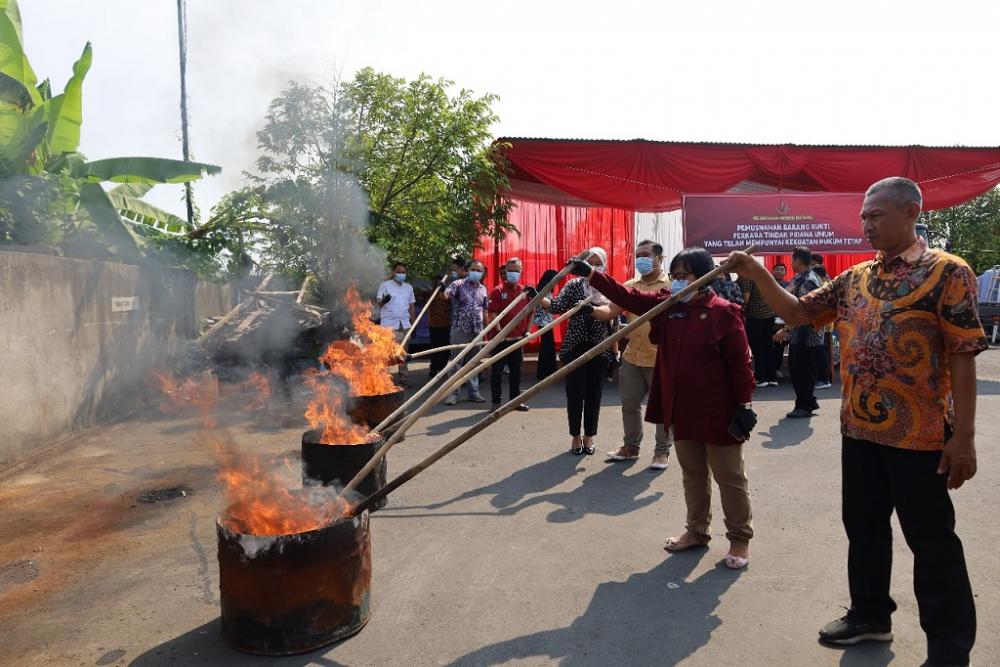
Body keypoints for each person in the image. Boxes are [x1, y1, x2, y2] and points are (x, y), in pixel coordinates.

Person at [726, 177, 986, 666]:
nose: (867, 224)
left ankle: (949, 649)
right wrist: (759, 273)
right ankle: (870, 615)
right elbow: (798, 312)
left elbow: (963, 354)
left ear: (910, 213)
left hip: (922, 435)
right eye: (864, 216)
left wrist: (965, 438)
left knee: (931, 542)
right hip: (859, 429)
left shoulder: (948, 272)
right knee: (863, 527)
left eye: (877, 215)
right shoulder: (854, 278)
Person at [571, 246, 756, 569]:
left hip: (720, 412)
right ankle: (697, 531)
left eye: (685, 276)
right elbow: (628, 298)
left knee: (729, 477)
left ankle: (739, 540)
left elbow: (741, 366)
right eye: (675, 276)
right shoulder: (669, 306)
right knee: (693, 475)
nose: (677, 282)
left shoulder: (724, 313)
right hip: (682, 409)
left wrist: (743, 405)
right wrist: (590, 274)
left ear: (704, 278)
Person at [602, 240, 674, 469]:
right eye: (638, 255)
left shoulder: (673, 286)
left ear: (659, 259)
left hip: (661, 358)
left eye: (646, 255)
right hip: (632, 356)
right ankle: (631, 447)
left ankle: (662, 451)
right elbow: (610, 311)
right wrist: (589, 310)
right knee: (629, 404)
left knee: (663, 408)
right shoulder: (630, 286)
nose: (641, 259)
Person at [548, 247, 615, 456]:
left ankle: (589, 436)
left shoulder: (608, 286)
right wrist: (540, 295)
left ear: (604, 264)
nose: (594, 266)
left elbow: (615, 322)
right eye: (590, 262)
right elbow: (556, 306)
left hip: (599, 348)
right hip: (574, 348)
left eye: (598, 262)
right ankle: (576, 436)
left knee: (594, 395)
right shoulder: (574, 285)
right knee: (575, 394)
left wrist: (615, 351)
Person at [487, 257, 546, 412]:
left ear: (521, 272)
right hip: (499, 339)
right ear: (506, 272)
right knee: (497, 372)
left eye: (516, 271)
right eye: (510, 270)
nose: (513, 273)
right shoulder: (497, 291)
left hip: (517, 339)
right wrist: (500, 333)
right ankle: (496, 402)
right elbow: (492, 314)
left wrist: (527, 330)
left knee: (516, 371)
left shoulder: (525, 292)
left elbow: (531, 312)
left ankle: (515, 401)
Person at [775, 246, 824, 418]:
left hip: (806, 334)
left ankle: (804, 406)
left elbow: (804, 312)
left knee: (802, 372)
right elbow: (787, 292)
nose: (790, 263)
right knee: (798, 371)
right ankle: (807, 402)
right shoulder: (799, 277)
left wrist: (786, 329)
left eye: (791, 259)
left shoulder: (808, 281)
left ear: (797, 260)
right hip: (798, 332)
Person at [442, 259, 488, 405]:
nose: (476, 272)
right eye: (474, 269)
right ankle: (452, 394)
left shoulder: (483, 289)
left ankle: (473, 393)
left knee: (473, 363)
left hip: (477, 330)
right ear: (468, 270)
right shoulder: (458, 284)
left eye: (479, 270)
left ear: (482, 273)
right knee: (456, 363)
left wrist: (485, 330)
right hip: (460, 330)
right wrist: (443, 289)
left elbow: (484, 310)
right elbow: (446, 295)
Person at [376, 261, 416, 385]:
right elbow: (378, 304)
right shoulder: (385, 285)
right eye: (398, 272)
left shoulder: (408, 287)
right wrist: (384, 300)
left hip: (404, 324)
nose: (401, 274)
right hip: (388, 325)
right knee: (386, 353)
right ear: (393, 273)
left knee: (403, 353)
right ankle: (384, 380)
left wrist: (413, 325)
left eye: (403, 272)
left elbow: (412, 307)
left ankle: (403, 379)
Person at [427, 257, 466, 377]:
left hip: (447, 324)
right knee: (434, 347)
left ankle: (443, 368)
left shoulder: (451, 288)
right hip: (434, 324)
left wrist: (443, 291)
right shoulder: (431, 294)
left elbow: (449, 300)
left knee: (446, 348)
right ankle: (434, 368)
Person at [739, 270, 779, 387]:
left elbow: (746, 298)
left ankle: (762, 378)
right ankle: (772, 377)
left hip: (756, 315)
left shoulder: (746, 275)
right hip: (769, 314)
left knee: (758, 347)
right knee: (768, 346)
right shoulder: (762, 273)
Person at [811, 264, 834, 389]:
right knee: (822, 352)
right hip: (825, 324)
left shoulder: (822, 286)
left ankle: (823, 379)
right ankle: (824, 378)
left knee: (821, 353)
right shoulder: (828, 284)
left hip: (821, 324)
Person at [534, 269, 560, 381]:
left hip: (547, 322)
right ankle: (545, 371)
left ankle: (547, 370)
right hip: (544, 322)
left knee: (547, 347)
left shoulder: (546, 290)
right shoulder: (542, 291)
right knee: (546, 347)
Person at [771, 262, 791, 377]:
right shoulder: (768, 284)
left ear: (785, 272)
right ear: (772, 271)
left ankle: (777, 368)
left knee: (780, 343)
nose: (779, 271)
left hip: (784, 320)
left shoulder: (788, 285)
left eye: (781, 270)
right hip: (769, 318)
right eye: (777, 269)